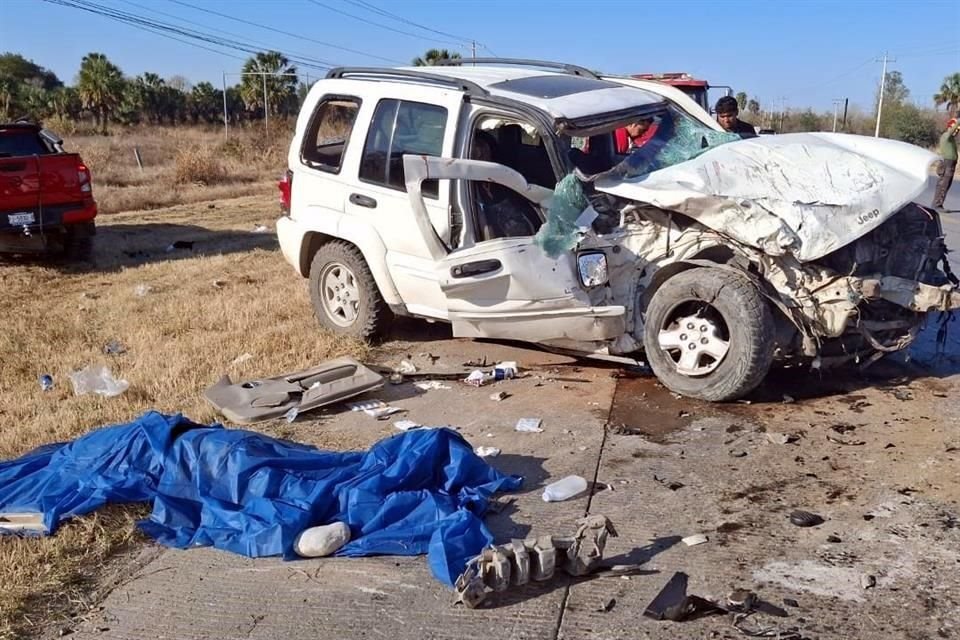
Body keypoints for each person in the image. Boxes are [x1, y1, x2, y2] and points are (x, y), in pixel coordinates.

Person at [470, 131, 542, 239]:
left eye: (482, 146)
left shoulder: (508, 178)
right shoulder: (468, 186)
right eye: (475, 148)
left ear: (491, 148)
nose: (479, 153)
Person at [933, 117, 960, 211]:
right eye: (955, 129)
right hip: (947, 164)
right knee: (943, 185)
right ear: (950, 127)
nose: (956, 131)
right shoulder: (946, 136)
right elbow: (952, 130)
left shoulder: (951, 138)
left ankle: (937, 204)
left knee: (945, 185)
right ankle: (937, 205)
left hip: (951, 164)